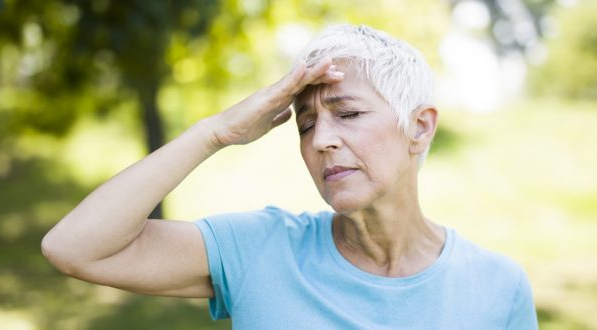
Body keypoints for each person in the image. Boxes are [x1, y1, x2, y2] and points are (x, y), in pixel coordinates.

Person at [42, 24, 538, 329]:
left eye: (347, 114)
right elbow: (74, 247)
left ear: (420, 126)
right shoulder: (260, 249)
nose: (321, 139)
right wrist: (216, 132)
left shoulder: (497, 288)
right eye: (305, 124)